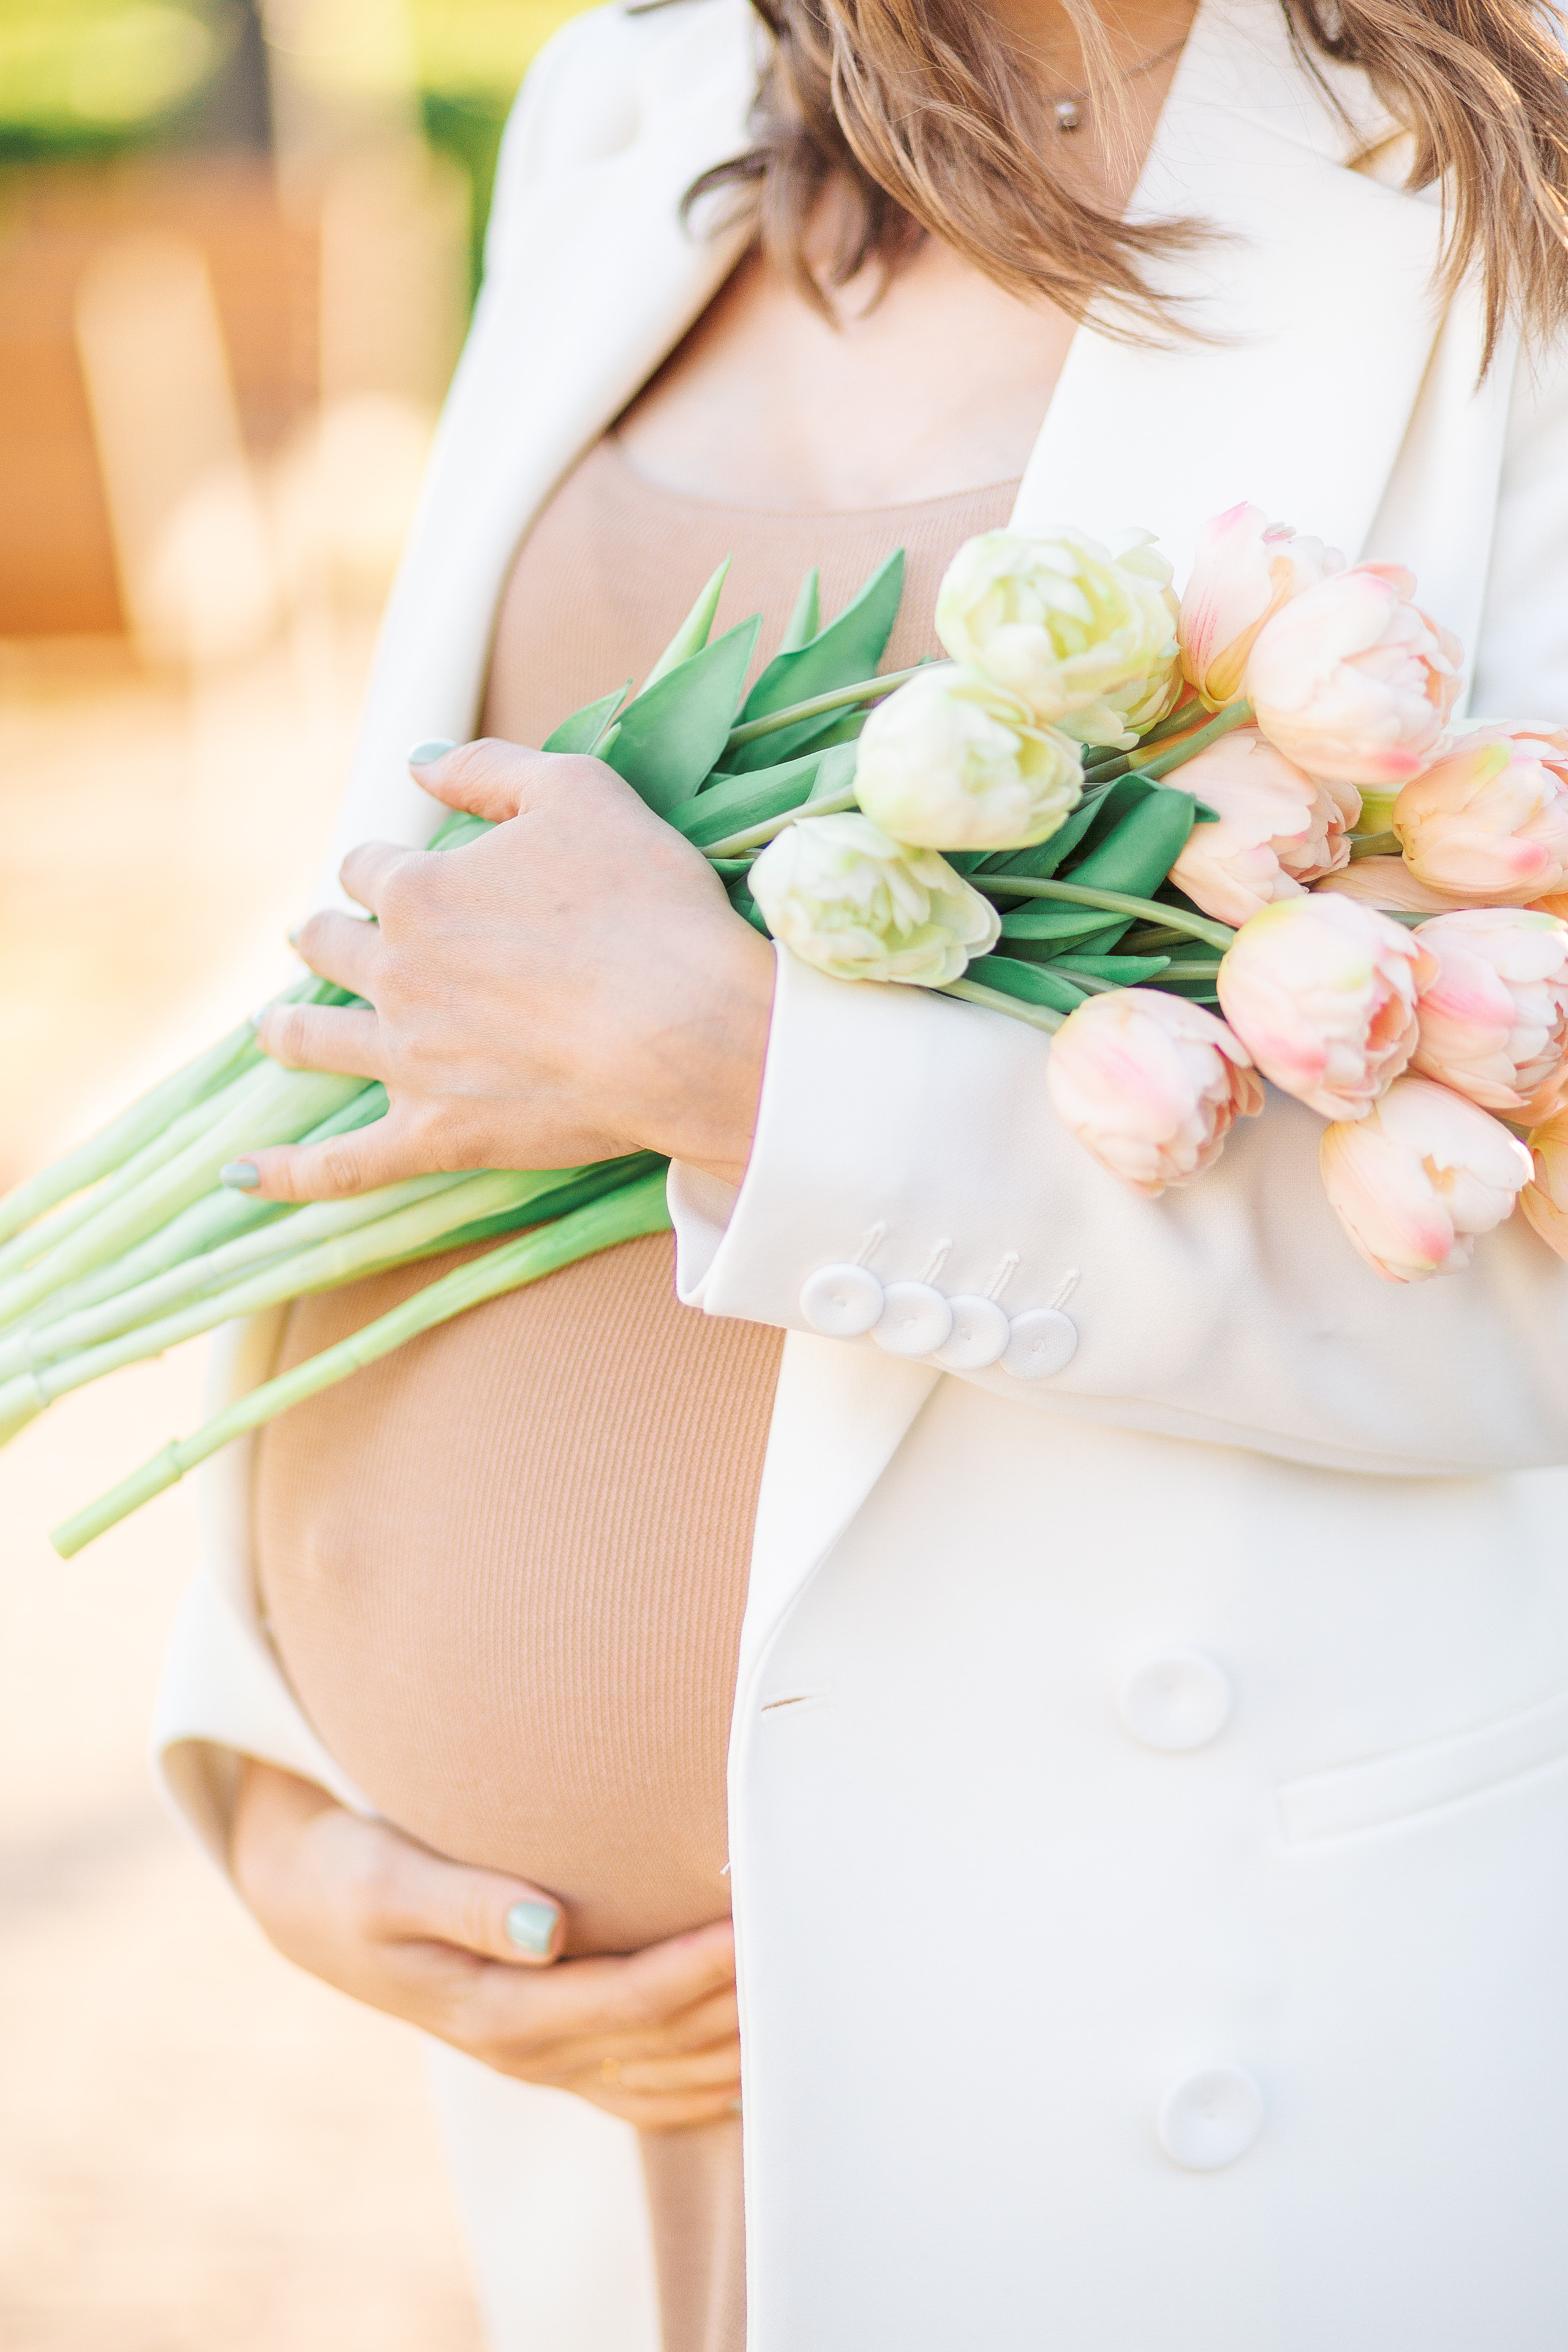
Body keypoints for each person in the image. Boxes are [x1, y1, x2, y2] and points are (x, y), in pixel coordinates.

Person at [151, 0, 1568, 2343]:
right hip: (605, 2060)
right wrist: (279, 1769)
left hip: (1136, 2014)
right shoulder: (637, 103)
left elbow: (1527, 1294)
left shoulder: (1498, 184)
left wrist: (757, 1081)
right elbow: (412, 964)